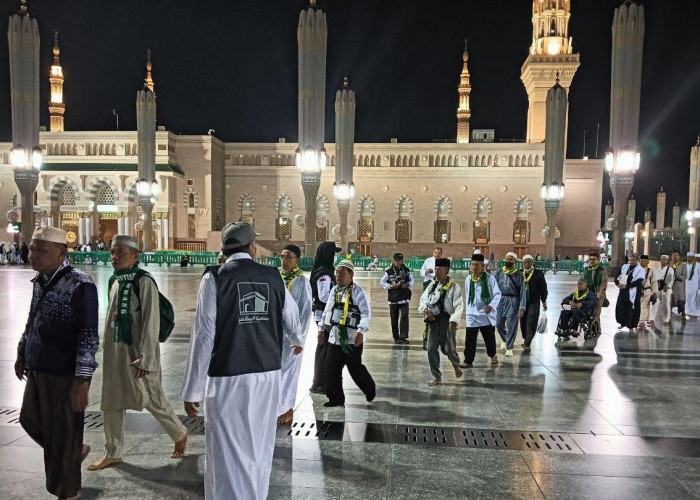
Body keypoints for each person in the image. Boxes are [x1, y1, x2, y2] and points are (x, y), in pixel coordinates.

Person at [180, 222, 302, 500]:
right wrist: (297, 340)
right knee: (260, 445)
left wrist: (192, 390)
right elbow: (292, 318)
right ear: (252, 248)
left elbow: (204, 335)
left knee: (226, 448)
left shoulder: (214, 278)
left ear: (224, 248)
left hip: (228, 376)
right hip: (267, 376)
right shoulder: (273, 277)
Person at [88, 235, 188, 472]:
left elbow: (151, 321)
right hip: (115, 351)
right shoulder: (114, 280)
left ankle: (179, 432)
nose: (115, 257)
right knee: (111, 400)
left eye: (121, 253)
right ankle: (112, 452)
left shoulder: (144, 281)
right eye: (113, 252)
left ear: (135, 256)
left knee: (150, 396)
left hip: (137, 352)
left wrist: (147, 357)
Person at [15, 226, 98, 500]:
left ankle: (68, 492)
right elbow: (32, 320)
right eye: (31, 249)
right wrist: (22, 352)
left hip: (64, 373)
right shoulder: (41, 280)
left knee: (62, 436)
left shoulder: (80, 284)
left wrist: (82, 380)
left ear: (61, 252)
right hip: (38, 367)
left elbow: (88, 334)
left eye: (40, 250)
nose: (32, 255)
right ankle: (75, 450)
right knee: (30, 419)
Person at [321, 260, 375, 406]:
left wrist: (361, 331)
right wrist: (321, 328)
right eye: (337, 272)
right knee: (331, 369)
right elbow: (328, 311)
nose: (338, 276)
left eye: (342, 273)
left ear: (351, 275)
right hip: (335, 337)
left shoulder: (358, 292)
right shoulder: (334, 291)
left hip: (352, 339)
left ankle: (369, 389)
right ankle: (335, 398)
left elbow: (365, 313)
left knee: (355, 369)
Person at [277, 244, 312, 425]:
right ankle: (278, 406)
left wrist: (300, 339)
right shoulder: (277, 277)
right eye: (282, 256)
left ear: (297, 260)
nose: (284, 260)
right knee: (278, 371)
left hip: (293, 336)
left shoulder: (301, 281)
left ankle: (288, 408)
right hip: (276, 334)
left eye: (288, 257)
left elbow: (306, 312)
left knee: (289, 372)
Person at [418, 258, 463, 385]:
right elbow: (423, 300)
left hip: (446, 322)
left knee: (448, 349)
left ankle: (456, 365)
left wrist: (454, 321)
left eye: (440, 270)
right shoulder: (432, 286)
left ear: (447, 271)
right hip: (433, 321)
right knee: (431, 349)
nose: (437, 272)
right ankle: (437, 377)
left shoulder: (454, 287)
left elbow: (459, 306)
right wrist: (425, 311)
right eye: (436, 269)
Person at [309, 241, 340, 394]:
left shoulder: (324, 270)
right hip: (324, 315)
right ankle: (319, 383)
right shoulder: (324, 273)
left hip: (324, 314)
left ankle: (321, 381)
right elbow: (323, 297)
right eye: (333, 254)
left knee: (325, 348)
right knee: (324, 349)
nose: (335, 257)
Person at [460, 253, 502, 368]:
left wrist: (491, 305)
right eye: (472, 265)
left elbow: (498, 294)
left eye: (477, 265)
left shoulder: (490, 278)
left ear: (482, 266)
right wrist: (468, 310)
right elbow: (468, 295)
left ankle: (493, 355)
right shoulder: (468, 279)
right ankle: (468, 361)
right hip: (472, 314)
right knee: (469, 339)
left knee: (489, 338)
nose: (474, 267)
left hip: (485, 314)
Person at [494, 252, 526, 357]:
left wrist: (521, 307)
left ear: (515, 261)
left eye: (510, 260)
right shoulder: (499, 272)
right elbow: (493, 287)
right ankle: (505, 339)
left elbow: (522, 291)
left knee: (512, 325)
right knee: (498, 324)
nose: (508, 261)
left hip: (513, 301)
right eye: (506, 259)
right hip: (501, 300)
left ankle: (509, 347)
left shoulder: (519, 274)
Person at [380, 252, 414, 344]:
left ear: (402, 261)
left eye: (400, 260)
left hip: (404, 297)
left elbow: (411, 280)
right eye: (396, 261)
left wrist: (407, 284)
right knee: (394, 318)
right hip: (393, 298)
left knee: (404, 316)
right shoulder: (389, 272)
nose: (398, 262)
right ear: (393, 261)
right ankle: (396, 336)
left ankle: (403, 336)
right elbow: (382, 282)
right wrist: (391, 286)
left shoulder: (406, 270)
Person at [519, 255, 548, 353]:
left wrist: (544, 301)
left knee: (531, 321)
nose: (527, 264)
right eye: (525, 262)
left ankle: (527, 342)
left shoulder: (538, 273)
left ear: (532, 262)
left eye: (529, 262)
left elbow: (543, 288)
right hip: (522, 302)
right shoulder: (519, 273)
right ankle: (525, 338)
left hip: (534, 301)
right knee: (523, 322)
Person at [615, 253, 645, 333]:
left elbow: (639, 281)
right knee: (621, 307)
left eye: (633, 260)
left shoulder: (640, 270)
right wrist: (618, 284)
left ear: (637, 260)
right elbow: (617, 276)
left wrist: (627, 286)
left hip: (633, 291)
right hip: (623, 291)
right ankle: (622, 323)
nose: (631, 261)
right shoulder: (625, 267)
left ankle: (631, 325)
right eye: (630, 260)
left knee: (632, 308)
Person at [583, 250, 608, 324]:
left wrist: (600, 292)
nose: (592, 261)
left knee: (596, 310)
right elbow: (582, 280)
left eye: (594, 259)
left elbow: (604, 282)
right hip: (588, 292)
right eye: (590, 259)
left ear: (598, 260)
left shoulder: (602, 269)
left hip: (599, 293)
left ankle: (596, 327)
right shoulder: (586, 269)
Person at [638, 254, 659, 330]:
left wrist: (654, 292)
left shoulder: (651, 270)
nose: (643, 262)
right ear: (639, 261)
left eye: (644, 261)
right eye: (641, 261)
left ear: (648, 262)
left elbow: (654, 281)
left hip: (647, 290)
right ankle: (637, 320)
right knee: (637, 306)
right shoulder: (636, 269)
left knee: (645, 306)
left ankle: (642, 321)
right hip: (637, 290)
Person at [656, 255, 675, 324]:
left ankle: (666, 319)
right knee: (656, 304)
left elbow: (672, 279)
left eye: (665, 259)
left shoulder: (670, 269)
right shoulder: (657, 269)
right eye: (662, 259)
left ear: (667, 261)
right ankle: (653, 318)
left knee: (666, 305)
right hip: (658, 289)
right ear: (660, 260)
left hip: (667, 289)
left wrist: (668, 286)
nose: (663, 261)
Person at [671, 251, 688, 319]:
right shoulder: (669, 265)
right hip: (671, 285)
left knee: (680, 300)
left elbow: (685, 275)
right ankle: (669, 314)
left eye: (676, 255)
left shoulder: (683, 265)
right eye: (673, 255)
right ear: (671, 256)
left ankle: (682, 314)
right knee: (671, 300)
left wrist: (678, 277)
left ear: (679, 256)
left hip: (679, 285)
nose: (675, 257)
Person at [685, 253, 700, 318]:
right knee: (686, 297)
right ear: (687, 257)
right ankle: (687, 310)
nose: (690, 258)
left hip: (694, 284)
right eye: (689, 257)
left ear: (694, 257)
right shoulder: (684, 264)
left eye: (691, 257)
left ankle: (692, 310)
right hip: (686, 284)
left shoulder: (698, 265)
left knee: (693, 297)